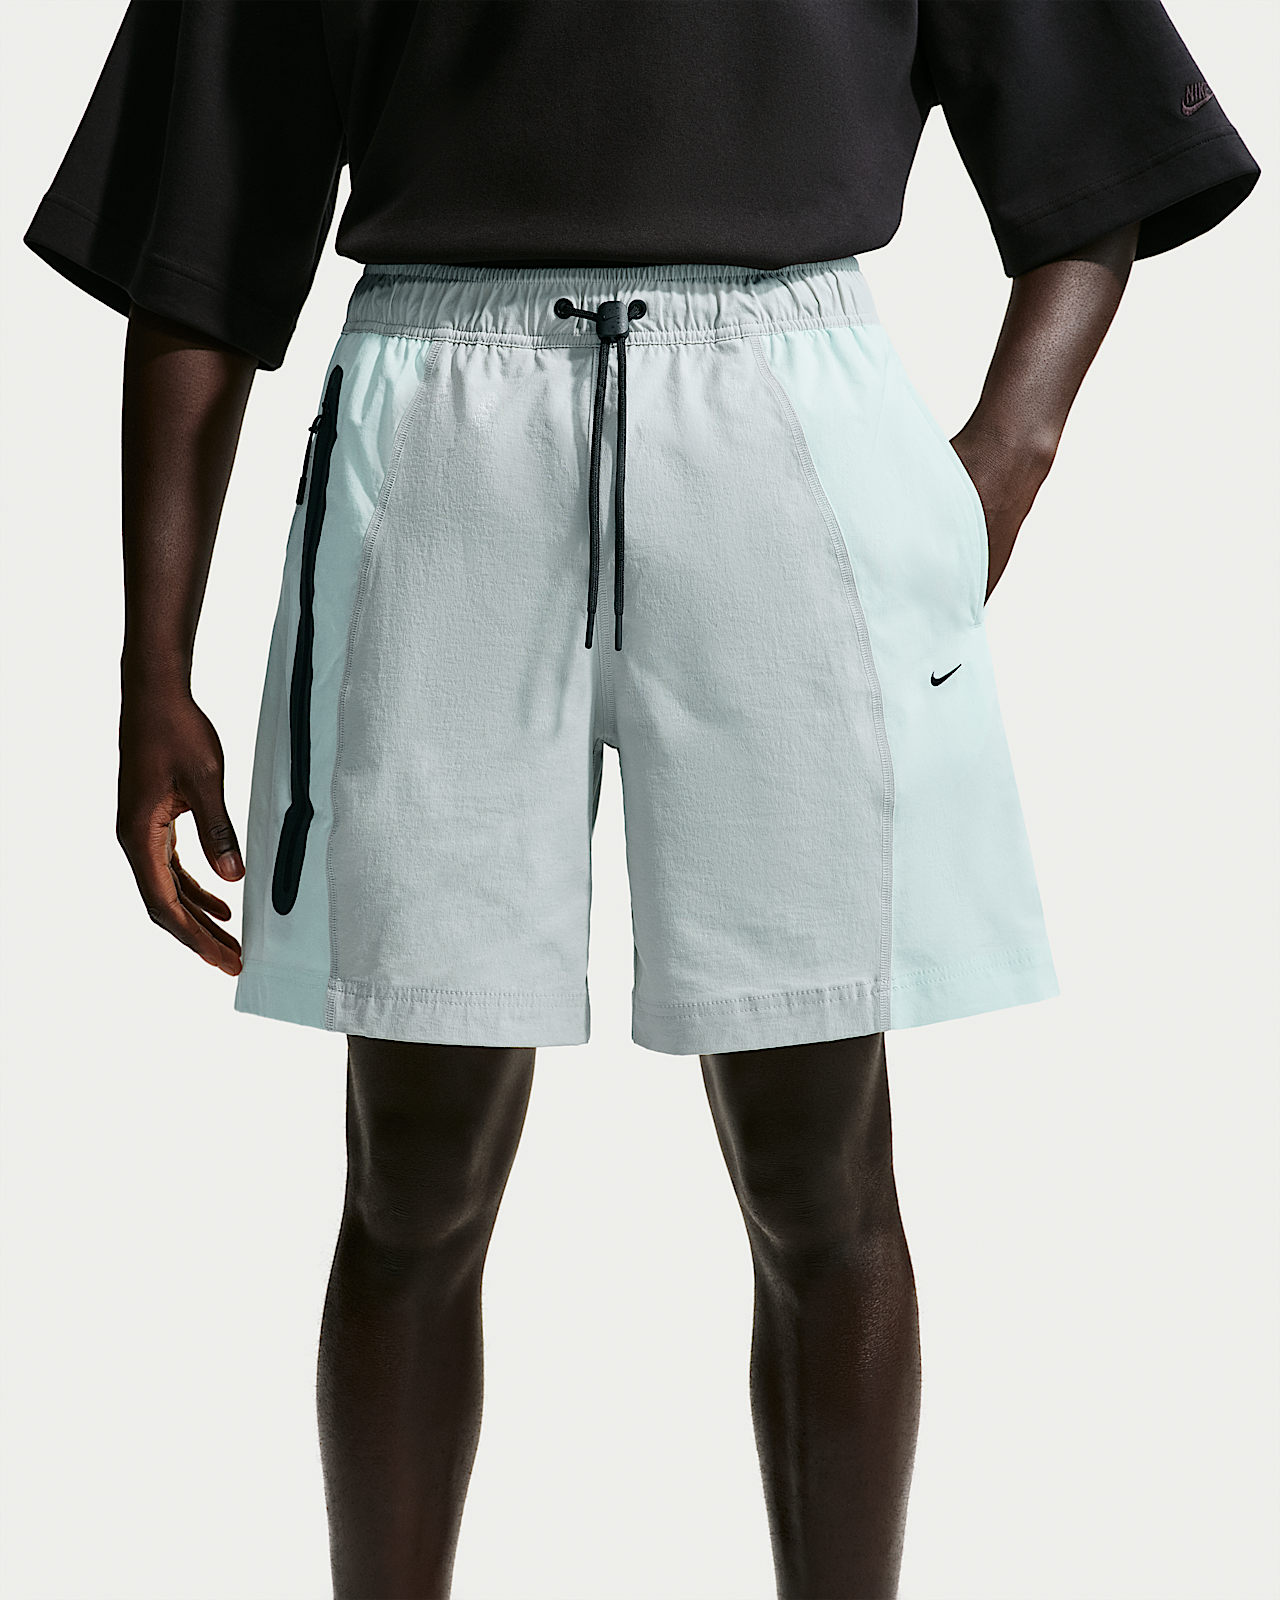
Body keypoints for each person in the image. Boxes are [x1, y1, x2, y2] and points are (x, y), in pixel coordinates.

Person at [24, 4, 1258, 1596]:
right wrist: (151, 664)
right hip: (442, 424)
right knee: (410, 1173)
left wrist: (1003, 460)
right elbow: (204, 223)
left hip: (782, 414)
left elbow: (1103, 136)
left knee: (822, 1166)